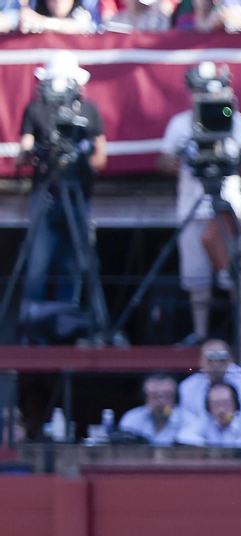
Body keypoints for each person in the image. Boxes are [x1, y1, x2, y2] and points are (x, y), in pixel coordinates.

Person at [159, 62, 241, 343]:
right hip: (193, 207)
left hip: (226, 206)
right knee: (195, 277)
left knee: (234, 274)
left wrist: (235, 158)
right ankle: (200, 334)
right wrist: (185, 153)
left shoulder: (235, 120)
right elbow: (164, 162)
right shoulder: (180, 123)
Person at [18, 53, 106, 312]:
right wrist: (36, 152)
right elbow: (25, 149)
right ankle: (30, 321)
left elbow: (100, 155)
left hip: (78, 190)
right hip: (46, 192)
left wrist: (80, 155)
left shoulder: (88, 111)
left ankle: (69, 320)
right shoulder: (35, 109)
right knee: (38, 261)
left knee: (75, 261)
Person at [178, 337, 241, 446]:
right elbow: (188, 423)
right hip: (204, 442)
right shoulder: (187, 386)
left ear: (231, 360)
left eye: (222, 357)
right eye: (210, 358)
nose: (216, 363)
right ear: (200, 361)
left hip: (238, 437)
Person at [118, 373, 188, 446]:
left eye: (167, 396)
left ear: (175, 398)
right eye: (155, 396)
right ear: (145, 397)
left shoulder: (188, 420)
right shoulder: (131, 418)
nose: (161, 401)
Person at [178, 380, 241, 447]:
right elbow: (183, 436)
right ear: (208, 408)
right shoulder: (207, 421)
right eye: (215, 405)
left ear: (236, 405)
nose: (221, 410)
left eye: (226, 403)